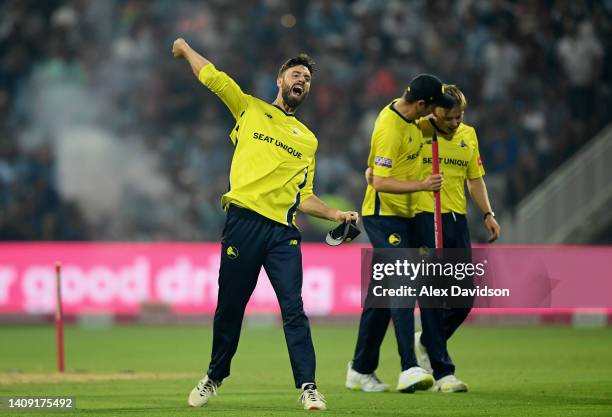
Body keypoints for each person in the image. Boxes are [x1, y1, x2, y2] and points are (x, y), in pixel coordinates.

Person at [172, 37, 360, 411]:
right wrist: (185, 48)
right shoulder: (250, 109)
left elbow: (304, 196)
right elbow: (214, 78)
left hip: (282, 233)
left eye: (307, 77)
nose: (302, 80)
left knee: (294, 309)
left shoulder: (308, 140)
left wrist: (337, 215)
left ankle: (308, 386)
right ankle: (214, 377)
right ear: (280, 80)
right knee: (230, 307)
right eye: (296, 74)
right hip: (242, 223)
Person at [346, 74, 455, 393]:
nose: (436, 113)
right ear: (422, 104)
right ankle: (409, 366)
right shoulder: (390, 127)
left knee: (380, 296)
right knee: (403, 283)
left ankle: (361, 368)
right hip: (383, 216)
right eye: (434, 107)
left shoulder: (412, 120)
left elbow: (372, 170)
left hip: (407, 215)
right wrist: (422, 185)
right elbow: (378, 181)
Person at [412, 84, 501, 392]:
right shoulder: (415, 130)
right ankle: (442, 373)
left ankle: (425, 341)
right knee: (433, 299)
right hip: (424, 220)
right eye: (449, 117)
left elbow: (474, 180)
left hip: (456, 222)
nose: (455, 123)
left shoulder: (468, 135)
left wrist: (488, 214)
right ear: (433, 110)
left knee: (464, 299)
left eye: (459, 116)